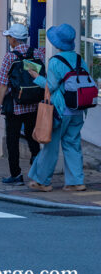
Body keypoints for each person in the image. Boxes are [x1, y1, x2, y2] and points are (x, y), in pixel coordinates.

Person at [26, 24, 88, 192]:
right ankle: (76, 182)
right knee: (73, 145)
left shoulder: (55, 61)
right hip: (78, 109)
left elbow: (50, 86)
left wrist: (36, 76)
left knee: (50, 146)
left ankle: (42, 181)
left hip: (60, 111)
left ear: (57, 43)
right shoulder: (79, 59)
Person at [0, 23, 44, 184]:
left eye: (9, 37)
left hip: (15, 106)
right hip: (34, 104)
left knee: (12, 141)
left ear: (14, 39)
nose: (8, 40)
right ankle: (37, 166)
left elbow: (3, 83)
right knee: (32, 137)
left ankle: (16, 175)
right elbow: (35, 76)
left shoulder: (10, 57)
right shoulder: (36, 53)